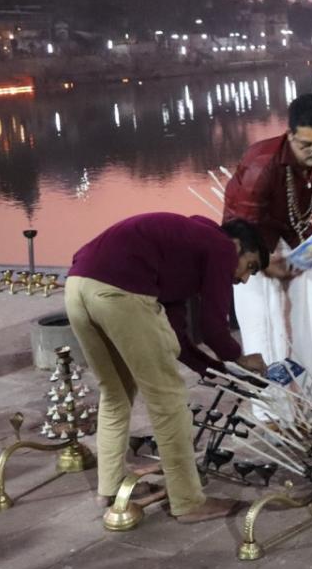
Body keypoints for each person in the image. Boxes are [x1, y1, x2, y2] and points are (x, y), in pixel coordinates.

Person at [64, 214, 268, 523]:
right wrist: (240, 357)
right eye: (250, 266)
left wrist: (213, 369)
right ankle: (188, 501)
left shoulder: (181, 249)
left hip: (77, 286)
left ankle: (111, 485)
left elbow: (179, 338)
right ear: (238, 245)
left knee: (116, 391)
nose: (244, 279)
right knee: (169, 399)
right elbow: (214, 327)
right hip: (120, 291)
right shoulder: (221, 247)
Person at [223, 94, 312, 404]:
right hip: (249, 243)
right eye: (306, 145)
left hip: (298, 235)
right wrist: (268, 266)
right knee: (266, 320)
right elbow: (244, 231)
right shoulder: (262, 165)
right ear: (290, 134)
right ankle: (274, 409)